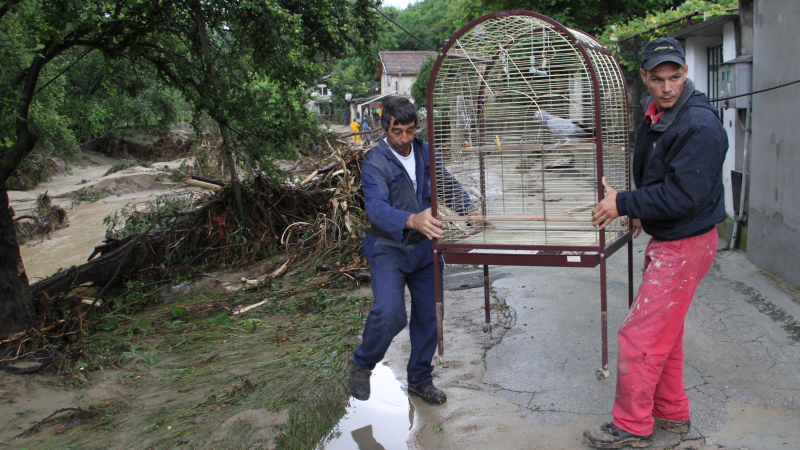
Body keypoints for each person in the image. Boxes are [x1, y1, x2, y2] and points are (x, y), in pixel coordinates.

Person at [583, 37, 728, 448]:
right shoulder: (655, 114)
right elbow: (661, 176)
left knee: (640, 337)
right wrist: (640, 211)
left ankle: (631, 427)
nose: (668, 87)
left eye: (676, 77)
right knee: (666, 334)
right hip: (674, 236)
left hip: (686, 243)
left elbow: (685, 194)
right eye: (659, 79)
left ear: (686, 73)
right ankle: (671, 412)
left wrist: (624, 203)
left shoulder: (699, 125)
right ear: (644, 77)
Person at [349, 97, 475, 405]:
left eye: (410, 131)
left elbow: (444, 184)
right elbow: (376, 208)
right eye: (397, 133)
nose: (404, 139)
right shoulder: (375, 162)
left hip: (424, 249)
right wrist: (411, 219)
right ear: (385, 128)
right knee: (390, 314)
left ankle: (420, 378)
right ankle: (362, 364)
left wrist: (470, 211)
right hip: (388, 248)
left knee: (429, 316)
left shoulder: (425, 150)